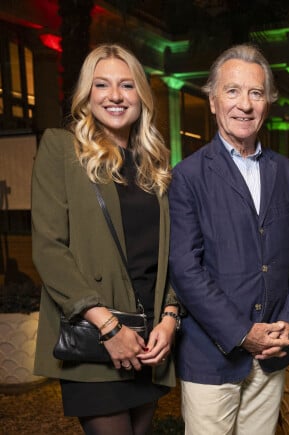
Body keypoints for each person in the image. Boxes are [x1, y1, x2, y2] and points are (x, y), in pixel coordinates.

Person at [168, 43, 289, 435]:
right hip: (211, 355)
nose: (244, 104)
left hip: (272, 350)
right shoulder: (188, 176)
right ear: (213, 100)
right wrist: (241, 333)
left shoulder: (288, 174)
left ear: (267, 102)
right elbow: (185, 269)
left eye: (255, 93)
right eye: (232, 91)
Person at [31, 44, 180, 435]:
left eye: (127, 85)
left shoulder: (155, 165)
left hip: (147, 340)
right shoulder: (61, 149)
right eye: (102, 84)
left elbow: (169, 254)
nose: (115, 95)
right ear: (87, 94)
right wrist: (110, 328)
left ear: (141, 96)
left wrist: (169, 316)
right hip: (97, 337)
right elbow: (49, 249)